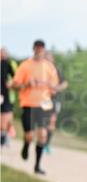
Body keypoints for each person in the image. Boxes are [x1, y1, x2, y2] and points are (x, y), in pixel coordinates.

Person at [10, 40, 60, 174]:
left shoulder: (49, 67)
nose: (39, 51)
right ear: (33, 49)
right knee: (30, 136)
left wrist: (48, 85)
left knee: (43, 135)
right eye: (37, 48)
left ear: (44, 50)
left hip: (44, 105)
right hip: (28, 104)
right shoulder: (25, 65)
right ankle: (26, 145)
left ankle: (37, 166)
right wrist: (27, 84)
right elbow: (15, 84)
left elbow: (56, 87)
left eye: (41, 49)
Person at [43, 50, 68, 154]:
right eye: (46, 58)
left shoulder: (57, 70)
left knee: (52, 121)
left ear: (53, 59)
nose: (48, 60)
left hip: (55, 99)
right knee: (44, 121)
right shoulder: (41, 70)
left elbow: (65, 83)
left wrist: (57, 88)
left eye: (50, 58)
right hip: (44, 98)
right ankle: (42, 142)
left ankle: (47, 144)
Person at [1, 47, 16, 147]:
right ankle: (3, 139)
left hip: (7, 95)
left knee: (7, 118)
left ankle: (6, 137)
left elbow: (17, 77)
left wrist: (11, 82)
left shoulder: (9, 63)